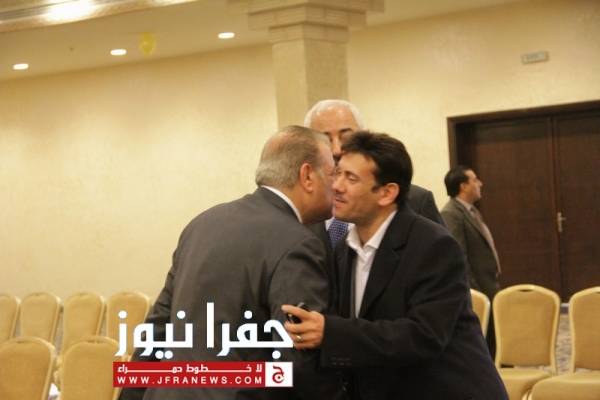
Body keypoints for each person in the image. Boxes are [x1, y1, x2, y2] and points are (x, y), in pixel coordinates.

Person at [119, 126, 346, 400]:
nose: (337, 186)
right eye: (332, 173)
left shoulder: (203, 223)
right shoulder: (299, 242)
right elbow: (298, 360)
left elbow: (158, 328)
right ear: (307, 176)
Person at [283, 132, 507, 400]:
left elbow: (423, 336)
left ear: (387, 193)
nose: (337, 186)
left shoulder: (433, 246)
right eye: (337, 173)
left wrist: (330, 332)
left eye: (351, 178)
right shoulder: (343, 249)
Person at [304, 99, 444, 249]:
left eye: (346, 138)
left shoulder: (417, 201)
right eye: (325, 140)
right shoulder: (303, 206)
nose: (336, 150)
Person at [441, 165, 501, 355]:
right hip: (478, 290)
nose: (480, 183)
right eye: (475, 180)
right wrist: (474, 291)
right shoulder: (451, 214)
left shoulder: (471, 211)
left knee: (495, 340)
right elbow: (458, 257)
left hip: (488, 285)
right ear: (463, 186)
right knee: (485, 344)